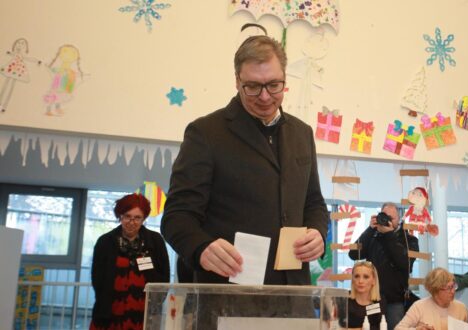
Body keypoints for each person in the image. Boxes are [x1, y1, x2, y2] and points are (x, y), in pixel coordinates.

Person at [161, 35, 328, 286]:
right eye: (253, 86)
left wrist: (318, 233)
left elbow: (313, 202)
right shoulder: (206, 133)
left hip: (293, 293)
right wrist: (201, 247)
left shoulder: (302, 133)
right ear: (237, 82)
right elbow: (177, 216)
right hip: (228, 294)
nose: (264, 97)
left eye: (274, 85)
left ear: (285, 80)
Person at [90, 193, 170, 330]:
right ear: (120, 216)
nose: (132, 222)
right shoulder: (105, 242)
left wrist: (155, 305)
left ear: (144, 218)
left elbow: (164, 278)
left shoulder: (155, 241)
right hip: (109, 313)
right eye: (127, 216)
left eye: (137, 218)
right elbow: (98, 280)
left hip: (144, 314)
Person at [349, 202, 419, 330]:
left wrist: (389, 235)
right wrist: (370, 230)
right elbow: (353, 254)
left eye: (391, 218)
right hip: (373, 299)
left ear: (399, 219)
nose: (388, 221)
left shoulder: (409, 240)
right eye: (384, 216)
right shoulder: (373, 235)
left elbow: (405, 263)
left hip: (395, 300)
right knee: (371, 327)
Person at [395, 267, 468, 330]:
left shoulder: (461, 308)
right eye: (448, 288)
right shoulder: (419, 307)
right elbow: (398, 329)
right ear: (435, 290)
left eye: (453, 286)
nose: (453, 291)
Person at [339, 261, 386, 330]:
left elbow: (380, 327)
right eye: (356, 276)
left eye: (366, 277)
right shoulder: (344, 300)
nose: (360, 281)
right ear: (352, 279)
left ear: (374, 280)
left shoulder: (379, 301)